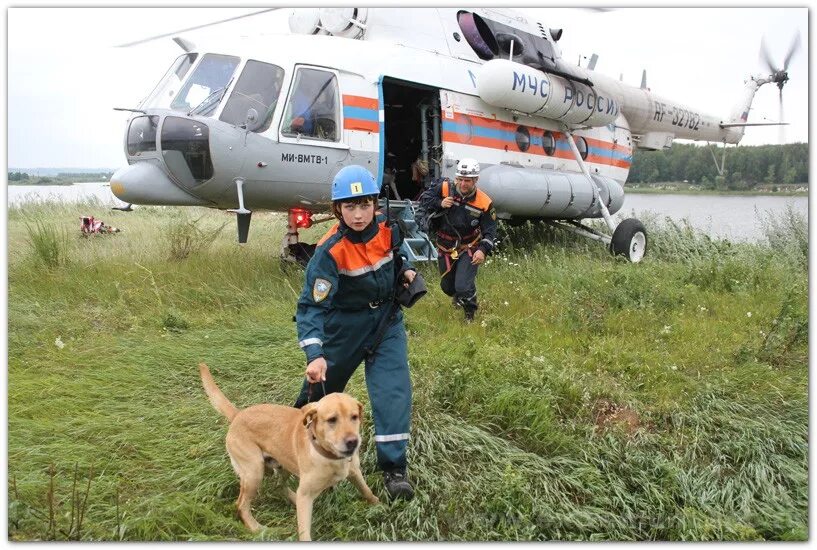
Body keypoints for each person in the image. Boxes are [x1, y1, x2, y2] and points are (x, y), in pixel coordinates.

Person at [293, 165, 417, 500]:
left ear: (375, 205)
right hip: (344, 329)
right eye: (350, 207)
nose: (358, 214)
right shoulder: (328, 252)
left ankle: (394, 469)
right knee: (318, 397)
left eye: (364, 205)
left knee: (393, 394)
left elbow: (397, 258)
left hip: (386, 324)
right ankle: (293, 452)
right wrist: (315, 355)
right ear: (338, 209)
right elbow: (311, 308)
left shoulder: (389, 230)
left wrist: (406, 272)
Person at [418, 158, 497, 322]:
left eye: (467, 181)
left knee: (462, 286)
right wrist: (440, 203)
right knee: (447, 287)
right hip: (445, 247)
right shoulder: (444, 188)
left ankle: (469, 314)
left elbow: (490, 231)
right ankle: (461, 295)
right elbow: (424, 200)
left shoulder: (484, 202)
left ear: (476, 180)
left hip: (469, 247)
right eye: (459, 179)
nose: (462, 184)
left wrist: (482, 250)